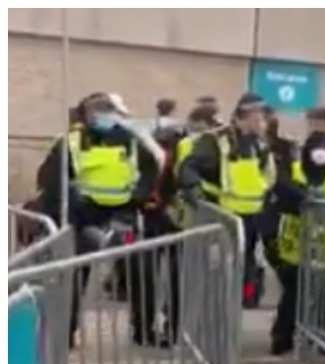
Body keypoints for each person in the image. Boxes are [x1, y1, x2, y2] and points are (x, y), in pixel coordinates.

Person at [36, 92, 160, 347]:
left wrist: (139, 196)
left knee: (141, 273)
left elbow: (150, 169)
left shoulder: (132, 141)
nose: (105, 117)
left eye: (109, 111)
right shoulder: (71, 141)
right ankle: (65, 333)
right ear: (89, 115)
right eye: (100, 112)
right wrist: (68, 207)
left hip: (123, 215)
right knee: (76, 276)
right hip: (84, 218)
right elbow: (51, 178)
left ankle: (144, 330)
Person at [265, 131, 325, 355]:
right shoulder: (292, 170)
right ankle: (283, 336)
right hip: (294, 246)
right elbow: (282, 192)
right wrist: (306, 198)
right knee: (293, 292)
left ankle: (322, 337)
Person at [179, 92, 274, 308]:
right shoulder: (215, 140)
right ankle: (210, 310)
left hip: (251, 218)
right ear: (245, 115)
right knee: (215, 271)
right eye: (258, 116)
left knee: (246, 266)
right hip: (220, 216)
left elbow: (267, 179)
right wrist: (193, 189)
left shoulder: (260, 144)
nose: (262, 121)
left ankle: (243, 300)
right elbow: (189, 167)